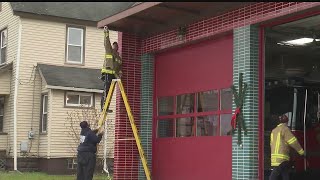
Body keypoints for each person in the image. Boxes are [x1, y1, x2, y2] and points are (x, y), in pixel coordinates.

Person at [269, 114, 305, 180]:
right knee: (273, 176)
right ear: (287, 122)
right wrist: (302, 152)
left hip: (274, 158)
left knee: (285, 174)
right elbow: (293, 142)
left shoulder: (274, 131)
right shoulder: (285, 129)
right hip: (282, 158)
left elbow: (271, 144)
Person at [100, 26, 122, 111]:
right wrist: (106, 32)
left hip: (113, 76)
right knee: (106, 91)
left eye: (116, 46)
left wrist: (119, 75)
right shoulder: (109, 50)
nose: (115, 47)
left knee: (110, 92)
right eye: (114, 46)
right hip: (107, 73)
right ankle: (103, 107)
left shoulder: (119, 58)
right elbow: (106, 42)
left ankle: (106, 107)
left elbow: (119, 68)